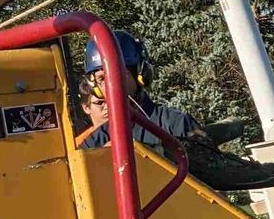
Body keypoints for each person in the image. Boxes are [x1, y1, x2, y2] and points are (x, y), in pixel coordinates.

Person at [75, 29, 205, 152]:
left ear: (140, 75)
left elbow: (210, 168)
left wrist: (145, 152)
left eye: (119, 76)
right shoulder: (96, 140)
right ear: (94, 86)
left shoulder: (176, 123)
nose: (111, 86)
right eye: (102, 79)